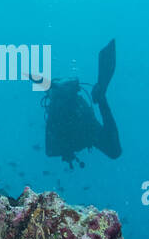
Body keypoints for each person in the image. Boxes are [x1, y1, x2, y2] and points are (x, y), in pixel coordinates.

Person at [44, 39, 121, 167]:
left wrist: (69, 149)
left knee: (114, 151)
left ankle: (102, 99)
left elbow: (50, 150)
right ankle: (102, 99)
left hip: (83, 132)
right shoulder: (67, 106)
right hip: (84, 132)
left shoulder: (57, 107)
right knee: (114, 151)